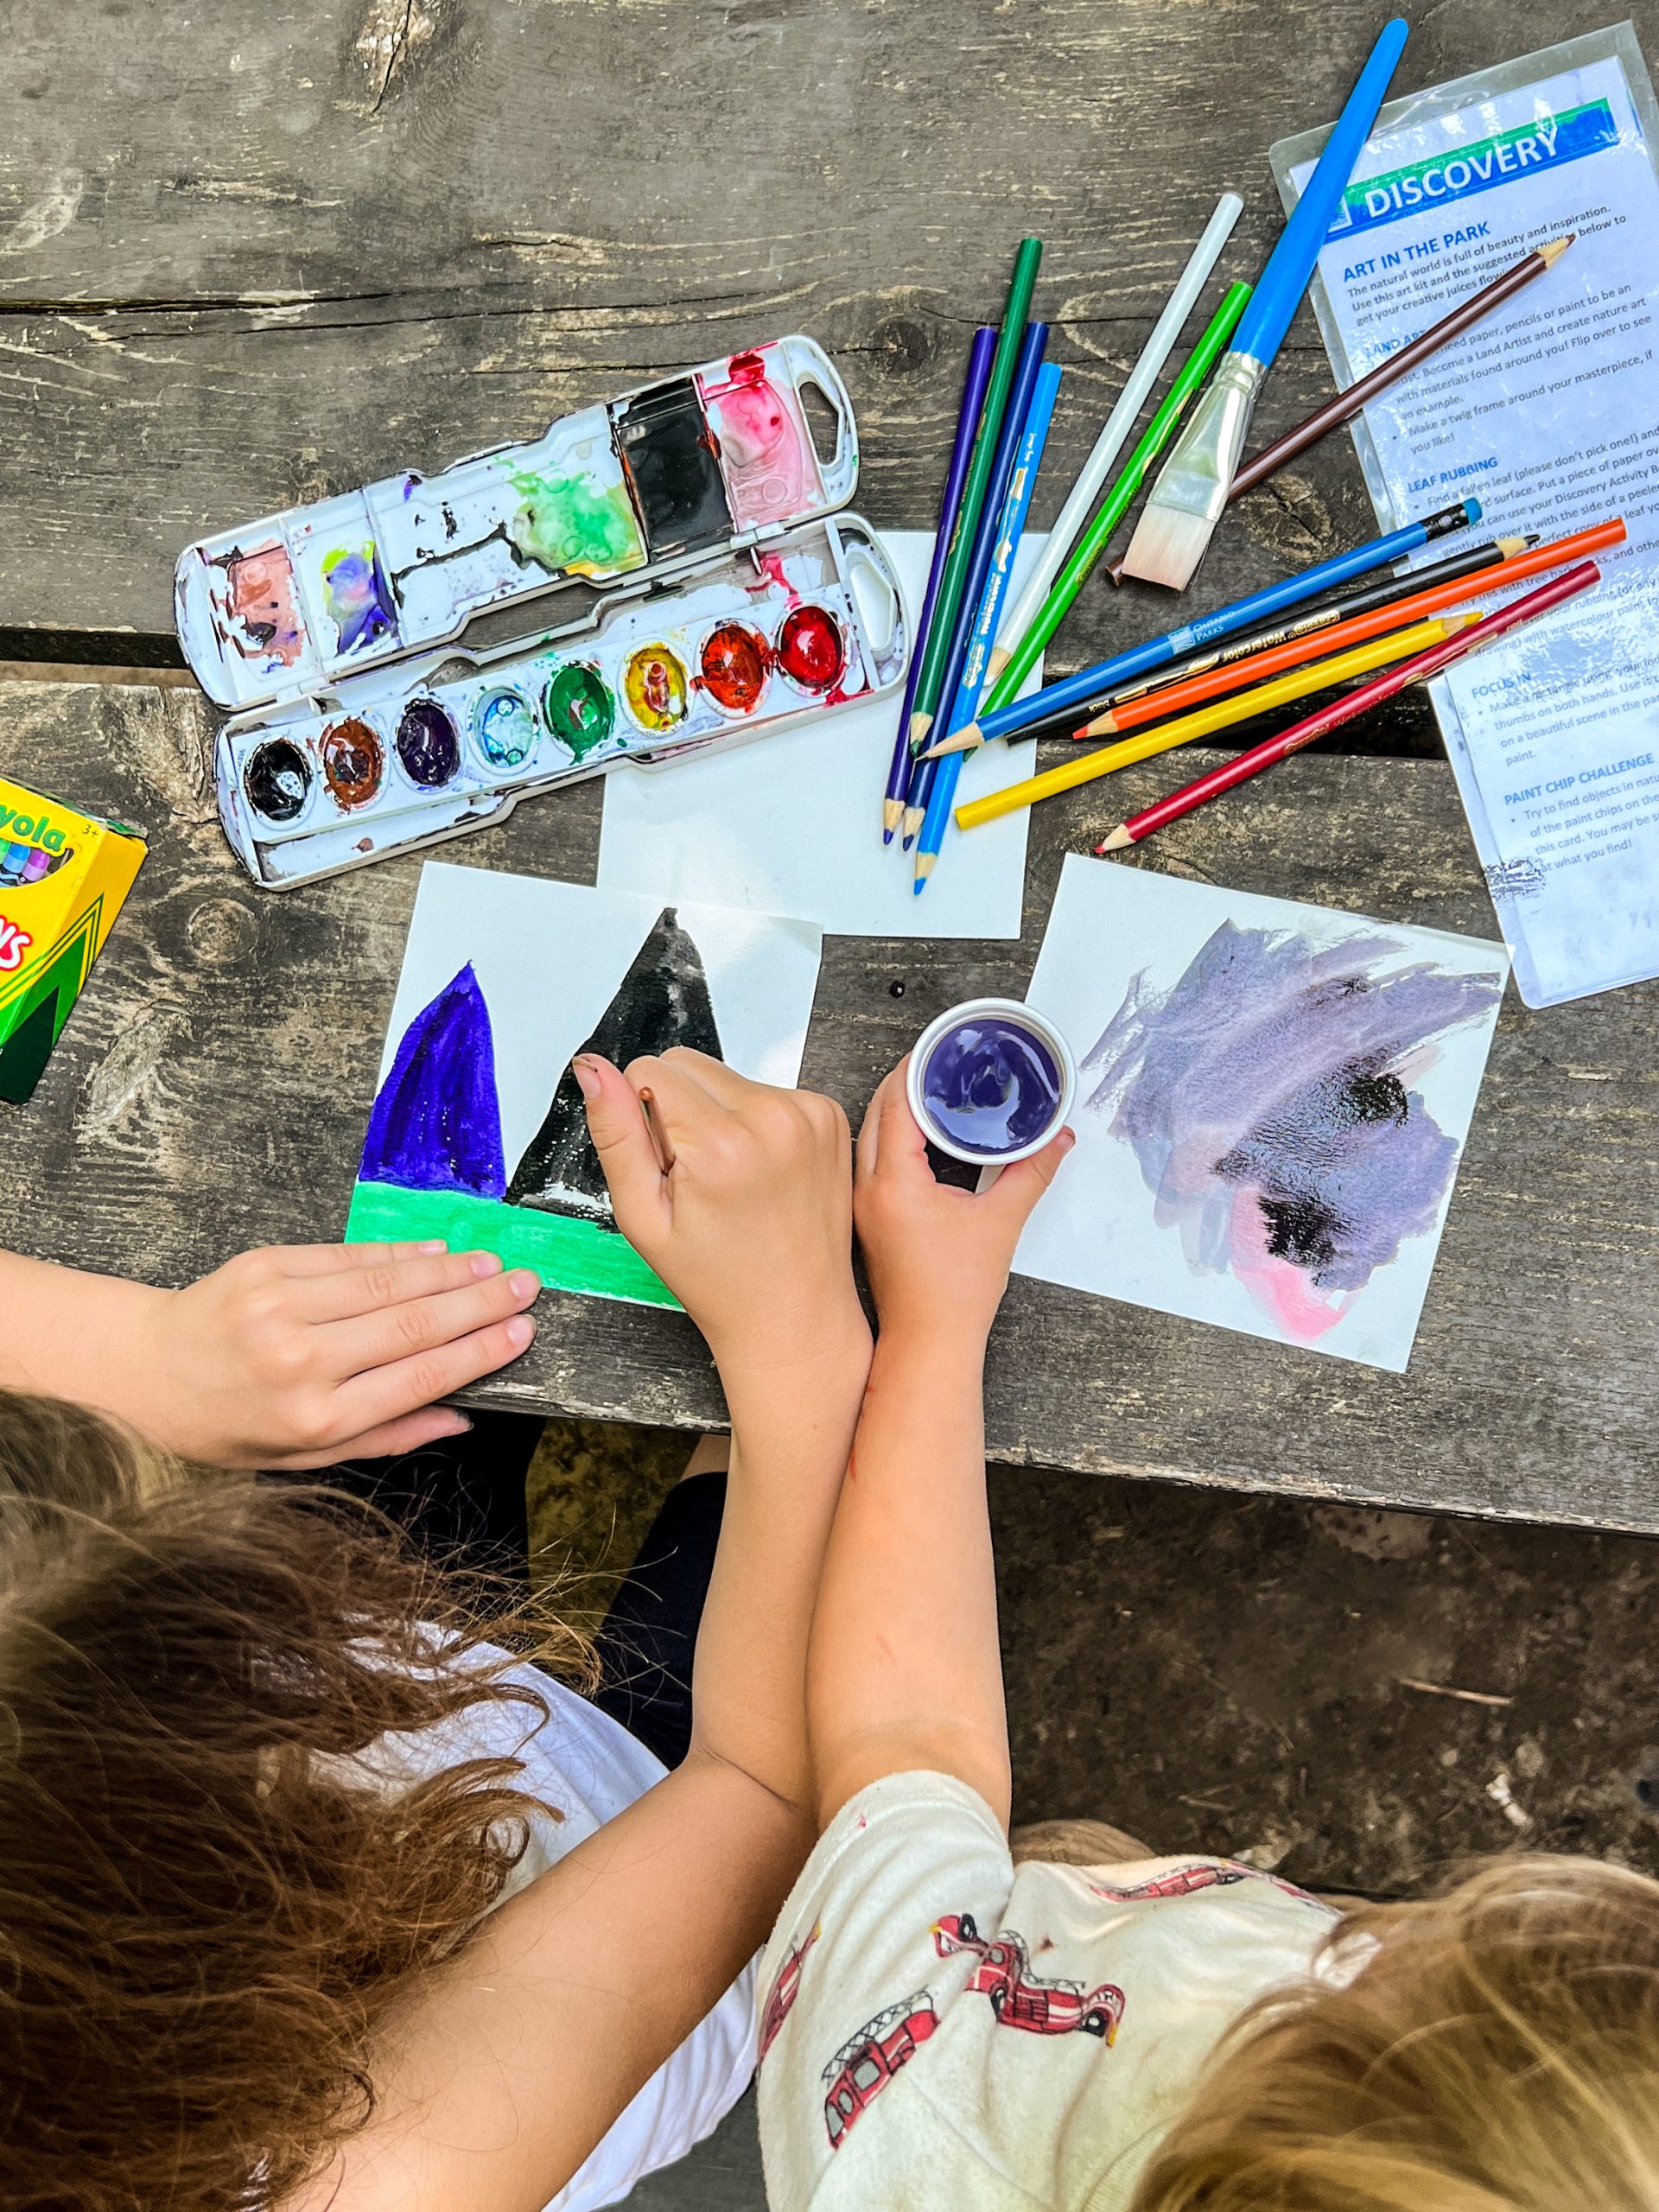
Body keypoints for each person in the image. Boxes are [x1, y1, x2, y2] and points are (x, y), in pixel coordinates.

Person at [756, 1059, 1659, 2211]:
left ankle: (1073, 1880)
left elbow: (907, 1736)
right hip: (1151, 1960)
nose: (1398, 1934)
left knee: (1051, 1865)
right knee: (1087, 1863)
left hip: (1006, 1984)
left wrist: (933, 1323)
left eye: (1403, 1974)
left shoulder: (914, 2094)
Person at [0, 1046, 874, 2212]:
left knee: (438, 1341)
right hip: (661, 1888)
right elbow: (761, 1786)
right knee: (780, 1481)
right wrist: (806, 1340)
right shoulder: (374, 2173)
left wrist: (144, 1357)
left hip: (392, 1672)